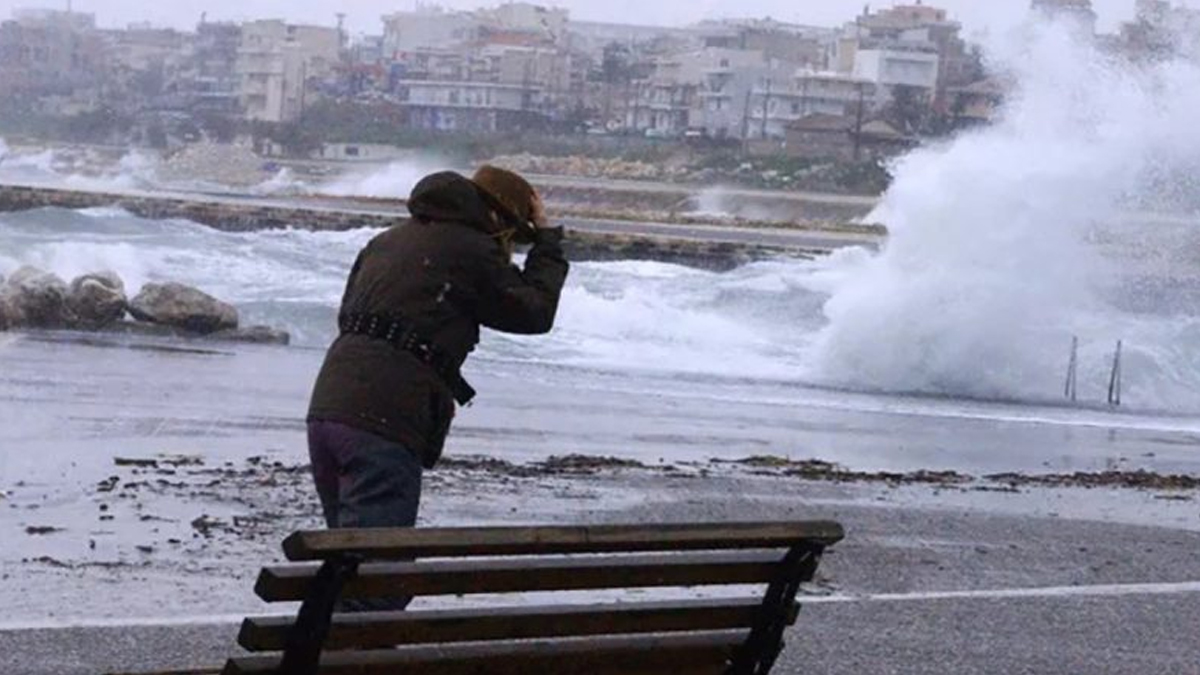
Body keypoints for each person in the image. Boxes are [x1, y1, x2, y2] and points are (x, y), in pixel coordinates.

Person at [306, 165, 569, 548]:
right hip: (384, 418)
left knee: (345, 560)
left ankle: (325, 611)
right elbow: (534, 312)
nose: (509, 248)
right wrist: (547, 243)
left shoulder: (387, 241)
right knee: (378, 574)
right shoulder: (472, 249)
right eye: (513, 236)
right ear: (497, 218)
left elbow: (348, 315)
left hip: (329, 408)